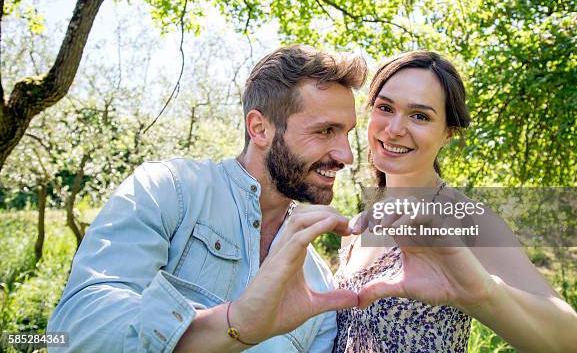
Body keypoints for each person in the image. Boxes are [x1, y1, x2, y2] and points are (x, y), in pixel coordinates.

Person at [47, 45, 368, 352]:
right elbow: (77, 328)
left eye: (347, 133)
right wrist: (232, 324)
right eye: (326, 131)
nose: (346, 155)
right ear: (260, 128)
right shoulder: (167, 190)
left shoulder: (318, 285)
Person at [332, 51, 577, 352]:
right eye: (385, 108)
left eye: (420, 116)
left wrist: (480, 294)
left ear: (448, 134)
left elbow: (574, 343)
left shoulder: (463, 218)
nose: (394, 129)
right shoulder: (362, 223)